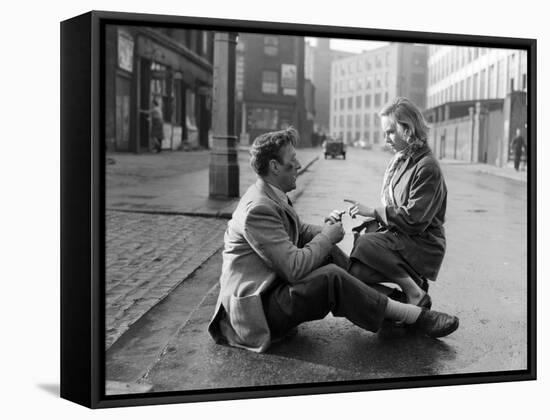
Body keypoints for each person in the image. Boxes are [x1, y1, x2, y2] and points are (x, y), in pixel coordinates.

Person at [207, 126, 459, 353]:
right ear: (274, 166)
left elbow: (298, 230)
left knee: (329, 255)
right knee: (331, 277)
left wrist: (325, 230)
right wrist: (327, 237)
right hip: (256, 312)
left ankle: (396, 306)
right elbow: (294, 268)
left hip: (272, 290)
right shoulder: (257, 209)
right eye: (292, 160)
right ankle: (414, 315)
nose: (298, 164)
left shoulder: (271, 193)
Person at [343, 97, 447, 310]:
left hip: (423, 243)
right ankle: (404, 298)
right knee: (356, 272)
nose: (386, 139)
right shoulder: (402, 161)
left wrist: (373, 212)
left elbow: (414, 219)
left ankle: (414, 294)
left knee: (366, 244)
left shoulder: (427, 167)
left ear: (407, 129)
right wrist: (374, 221)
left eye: (390, 132)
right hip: (405, 238)